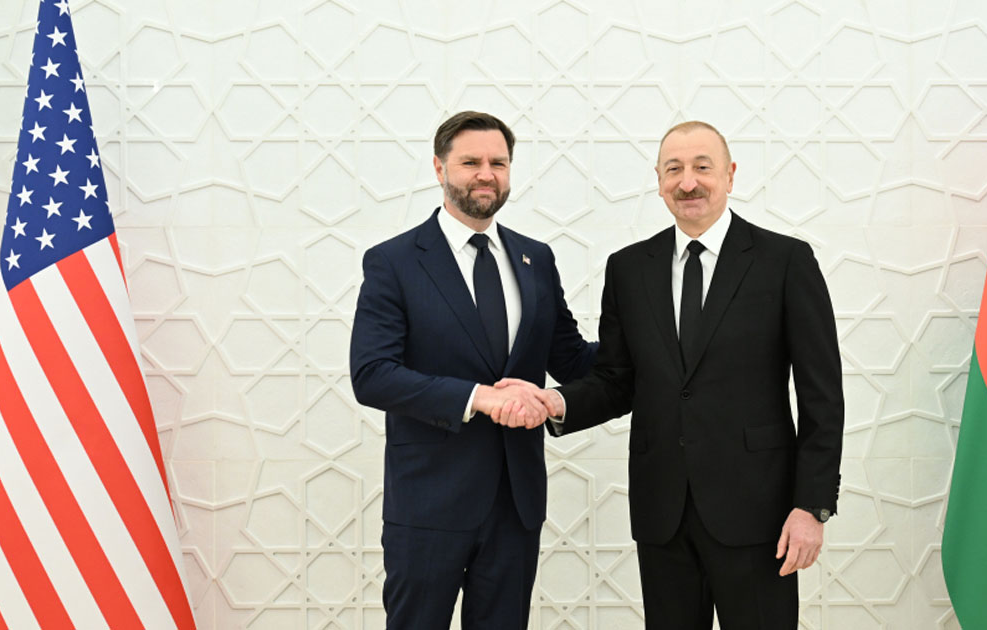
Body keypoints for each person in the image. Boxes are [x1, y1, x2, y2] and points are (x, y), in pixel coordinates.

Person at [497, 121, 844, 629]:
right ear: (658, 180)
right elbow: (618, 379)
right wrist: (557, 402)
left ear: (730, 174)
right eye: (674, 169)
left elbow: (822, 397)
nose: (688, 182)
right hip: (663, 511)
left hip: (759, 512)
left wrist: (812, 506)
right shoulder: (628, 268)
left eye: (703, 167)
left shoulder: (785, 261)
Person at [349, 111, 597, 629]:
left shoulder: (536, 259)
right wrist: (479, 397)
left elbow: (572, 360)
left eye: (498, 163)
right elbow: (372, 374)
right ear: (439, 168)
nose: (486, 174)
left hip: (515, 504)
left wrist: (652, 337)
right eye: (470, 162)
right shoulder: (394, 261)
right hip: (427, 505)